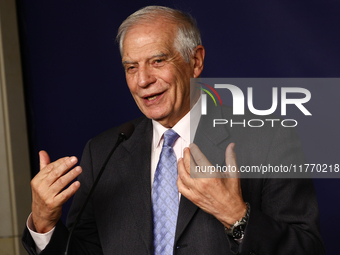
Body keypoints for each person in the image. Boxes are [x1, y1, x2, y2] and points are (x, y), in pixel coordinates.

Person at [22, 5, 325, 255]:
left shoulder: (269, 139)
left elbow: (307, 248)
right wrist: (45, 225)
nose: (142, 80)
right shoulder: (102, 152)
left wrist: (237, 217)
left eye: (157, 61)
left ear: (195, 62)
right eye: (131, 67)